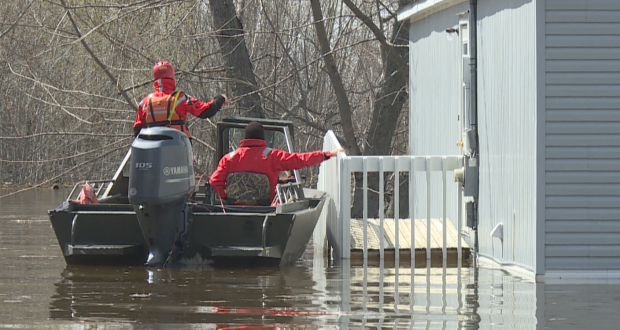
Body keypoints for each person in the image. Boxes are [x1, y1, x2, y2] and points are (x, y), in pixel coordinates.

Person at [209, 122, 344, 204]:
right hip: (267, 209)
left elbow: (214, 181)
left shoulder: (229, 158)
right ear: (262, 137)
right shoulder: (273, 156)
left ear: (245, 138)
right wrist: (327, 154)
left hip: (235, 207)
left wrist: (225, 197)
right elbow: (300, 160)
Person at [133, 61, 229, 138]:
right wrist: (220, 99)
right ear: (172, 77)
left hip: (152, 154)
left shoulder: (145, 103)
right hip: (178, 152)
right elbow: (205, 111)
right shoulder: (181, 98)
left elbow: (137, 131)